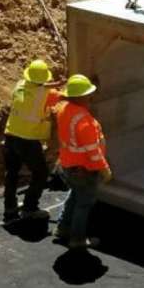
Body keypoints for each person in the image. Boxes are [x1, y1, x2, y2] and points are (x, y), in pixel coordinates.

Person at [54, 74, 111, 251]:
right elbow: (92, 151)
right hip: (83, 169)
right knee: (84, 203)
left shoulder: (63, 108)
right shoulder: (84, 121)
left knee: (75, 196)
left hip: (68, 165)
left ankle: (62, 228)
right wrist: (105, 169)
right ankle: (77, 240)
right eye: (87, 94)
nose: (90, 97)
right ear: (81, 97)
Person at [3, 59, 61, 223]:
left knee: (11, 174)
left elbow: (40, 87)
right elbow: (63, 95)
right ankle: (30, 207)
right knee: (41, 173)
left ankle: (10, 208)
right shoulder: (46, 94)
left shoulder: (20, 85)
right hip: (28, 140)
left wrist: (56, 83)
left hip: (10, 135)